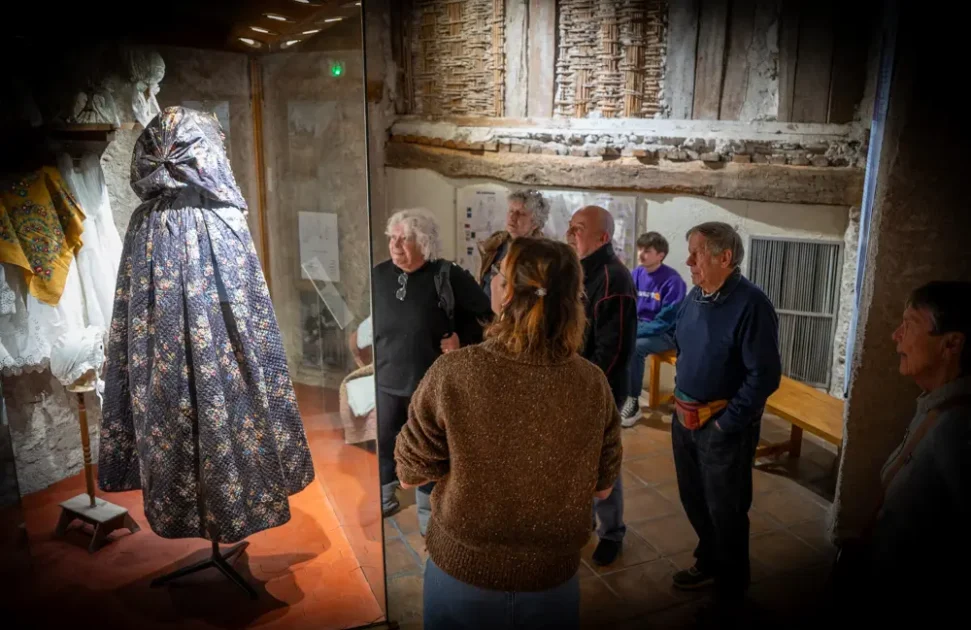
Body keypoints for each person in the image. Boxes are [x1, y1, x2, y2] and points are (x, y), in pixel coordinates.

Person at [394, 237, 622, 630]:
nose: (493, 281)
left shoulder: (454, 372)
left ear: (509, 293)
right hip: (553, 583)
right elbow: (603, 489)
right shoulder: (593, 384)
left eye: (499, 274)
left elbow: (409, 474)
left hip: (463, 578)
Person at [669, 222, 780, 618]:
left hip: (721, 427)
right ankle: (710, 560)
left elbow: (764, 376)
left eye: (696, 253)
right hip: (684, 420)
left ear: (725, 257)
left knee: (726, 510)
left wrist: (727, 423)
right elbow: (679, 337)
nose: (688, 262)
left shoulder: (752, 305)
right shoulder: (696, 296)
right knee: (694, 498)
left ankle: (732, 592)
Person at [846, 281, 970, 617]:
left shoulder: (957, 428)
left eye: (909, 325)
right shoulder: (933, 406)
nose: (895, 336)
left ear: (951, 344)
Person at [372, 209, 492, 528]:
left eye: (404, 239)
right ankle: (384, 494)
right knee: (385, 438)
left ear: (424, 242)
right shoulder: (379, 275)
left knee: (429, 447)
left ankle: (428, 514)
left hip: (430, 384)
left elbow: (487, 319)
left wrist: (461, 338)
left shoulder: (448, 275)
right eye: (392, 238)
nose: (395, 245)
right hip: (386, 377)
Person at [566, 205, 637, 567]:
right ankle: (586, 522)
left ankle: (612, 532)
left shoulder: (614, 278)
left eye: (579, 228)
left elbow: (614, 350)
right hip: (577, 385)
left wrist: (585, 391)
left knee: (602, 462)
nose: (571, 233)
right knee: (579, 460)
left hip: (600, 390)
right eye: (570, 226)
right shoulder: (579, 270)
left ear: (603, 237)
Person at [620, 231, 687, 427]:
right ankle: (619, 394)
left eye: (647, 251)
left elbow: (665, 321)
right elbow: (626, 306)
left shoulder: (673, 281)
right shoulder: (635, 274)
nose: (641, 254)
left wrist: (633, 331)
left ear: (660, 255)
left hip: (666, 333)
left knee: (634, 347)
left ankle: (633, 402)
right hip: (640, 328)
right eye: (640, 249)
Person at [478, 189, 550, 299]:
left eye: (521, 214)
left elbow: (545, 292)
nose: (512, 217)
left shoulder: (543, 253)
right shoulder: (495, 242)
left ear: (535, 223)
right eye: (511, 211)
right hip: (486, 308)